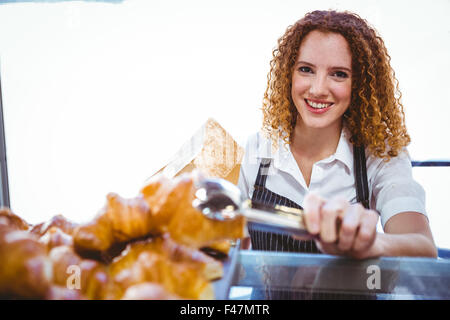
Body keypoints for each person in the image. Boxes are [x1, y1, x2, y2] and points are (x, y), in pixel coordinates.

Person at [237, 10, 437, 259]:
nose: (318, 88)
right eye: (306, 69)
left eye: (339, 74)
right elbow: (234, 248)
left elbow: (423, 247)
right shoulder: (258, 148)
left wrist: (373, 246)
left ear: (360, 84)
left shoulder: (379, 153)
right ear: (288, 73)